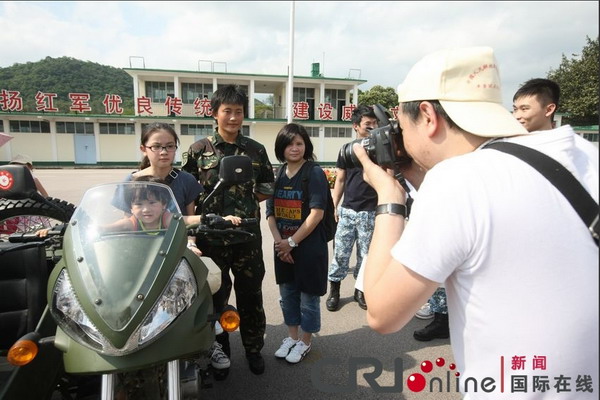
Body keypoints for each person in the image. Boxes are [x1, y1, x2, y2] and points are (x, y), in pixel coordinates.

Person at [359, 47, 598, 399]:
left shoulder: (457, 181)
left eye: (401, 126)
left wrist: (389, 198)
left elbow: (382, 314)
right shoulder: (584, 153)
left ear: (427, 115)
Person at [182, 84, 274, 375]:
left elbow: (266, 186)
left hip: (247, 237)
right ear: (214, 113)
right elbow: (188, 195)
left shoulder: (256, 149)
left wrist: (244, 204)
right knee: (214, 298)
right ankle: (219, 350)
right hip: (211, 239)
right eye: (227, 111)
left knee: (251, 296)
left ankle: (253, 349)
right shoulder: (198, 150)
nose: (233, 117)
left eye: (239, 111)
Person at [265, 123, 329, 364]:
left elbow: (317, 214)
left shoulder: (314, 173)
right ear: (281, 148)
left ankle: (305, 341)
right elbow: (270, 213)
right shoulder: (278, 174)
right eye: (289, 144)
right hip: (283, 247)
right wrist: (280, 243)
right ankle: (292, 337)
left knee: (308, 298)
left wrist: (291, 242)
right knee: (287, 295)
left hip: (308, 248)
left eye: (299, 143)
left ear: (306, 146)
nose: (295, 148)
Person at [325, 105, 379, 312]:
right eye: (368, 124)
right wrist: (334, 206)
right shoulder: (346, 149)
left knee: (366, 256)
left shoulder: (380, 149)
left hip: (370, 211)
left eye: (375, 123)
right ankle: (334, 291)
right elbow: (340, 179)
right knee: (341, 254)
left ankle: (360, 291)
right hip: (348, 211)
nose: (372, 127)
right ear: (356, 126)